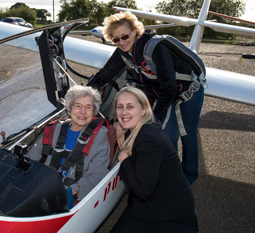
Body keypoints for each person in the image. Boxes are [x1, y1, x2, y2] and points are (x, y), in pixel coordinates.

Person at [86, 11, 204, 186]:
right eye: (115, 39)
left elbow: (169, 88)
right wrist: (82, 93)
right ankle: (171, 173)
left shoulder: (155, 49)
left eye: (125, 36)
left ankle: (189, 176)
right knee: (167, 137)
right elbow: (103, 75)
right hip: (164, 93)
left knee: (186, 134)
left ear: (135, 31)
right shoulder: (123, 53)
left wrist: (152, 119)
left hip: (188, 92)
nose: (121, 42)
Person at [109, 86, 198, 233]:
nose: (124, 112)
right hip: (147, 207)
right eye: (120, 107)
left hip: (170, 216)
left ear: (143, 110)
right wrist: (119, 125)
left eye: (130, 107)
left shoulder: (148, 140)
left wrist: (124, 159)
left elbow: (143, 191)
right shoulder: (148, 125)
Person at [27, 85, 110, 201]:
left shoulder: (99, 135)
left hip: (70, 194)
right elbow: (32, 157)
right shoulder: (55, 128)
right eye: (78, 106)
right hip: (42, 184)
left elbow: (98, 175)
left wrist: (74, 190)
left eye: (88, 107)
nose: (83, 112)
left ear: (94, 111)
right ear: (69, 109)